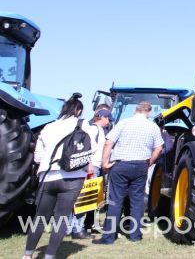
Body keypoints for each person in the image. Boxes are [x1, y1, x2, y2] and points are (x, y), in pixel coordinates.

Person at [23, 94, 96, 259]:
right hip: (73, 177)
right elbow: (92, 149)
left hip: (48, 176)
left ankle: (27, 255)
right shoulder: (84, 125)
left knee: (40, 219)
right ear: (78, 110)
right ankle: (50, 256)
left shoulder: (49, 127)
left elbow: (38, 157)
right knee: (61, 219)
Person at [94, 101, 164, 245]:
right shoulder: (153, 127)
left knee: (115, 200)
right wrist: (148, 163)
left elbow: (108, 143)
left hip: (121, 164)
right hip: (140, 165)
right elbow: (159, 148)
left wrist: (105, 163)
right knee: (137, 201)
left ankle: (109, 237)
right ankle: (135, 235)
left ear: (135, 110)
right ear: (148, 112)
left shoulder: (124, 123)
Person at [66, 107, 112, 239]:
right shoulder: (93, 130)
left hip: (91, 167)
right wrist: (90, 165)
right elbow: (86, 148)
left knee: (80, 198)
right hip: (91, 168)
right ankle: (77, 229)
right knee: (85, 199)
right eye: (108, 119)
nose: (109, 122)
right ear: (102, 117)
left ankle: (70, 228)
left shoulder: (97, 130)